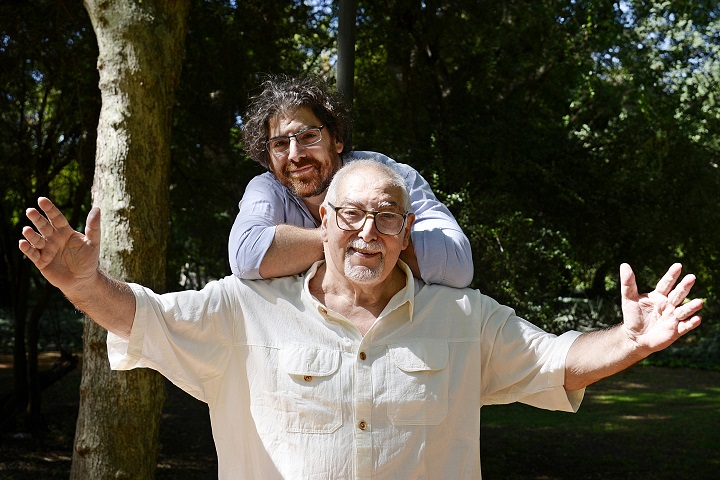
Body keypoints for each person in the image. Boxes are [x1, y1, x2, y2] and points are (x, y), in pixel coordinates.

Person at [19, 160, 703, 479]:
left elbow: (557, 362)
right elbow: (146, 320)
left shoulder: (464, 317)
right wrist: (86, 284)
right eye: (351, 215)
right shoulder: (244, 309)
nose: (367, 233)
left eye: (386, 217)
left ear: (408, 231)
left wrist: (631, 341)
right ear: (325, 222)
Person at [229, 74, 474, 287]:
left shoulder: (394, 177)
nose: (295, 154)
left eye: (308, 136)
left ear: (336, 139)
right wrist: (368, 237)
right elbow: (246, 256)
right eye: (280, 144)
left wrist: (320, 244)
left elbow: (457, 265)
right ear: (269, 159)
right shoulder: (267, 188)